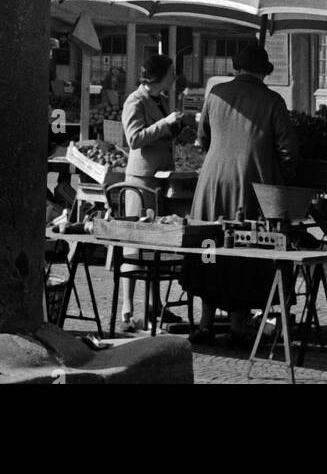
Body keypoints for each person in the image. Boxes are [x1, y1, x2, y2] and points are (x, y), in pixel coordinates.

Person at [186, 42, 298, 346]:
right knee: (244, 252)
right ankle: (237, 327)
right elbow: (288, 149)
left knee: (209, 249)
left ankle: (206, 323)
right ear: (264, 72)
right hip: (251, 185)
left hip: (212, 184)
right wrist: (285, 181)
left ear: (236, 68)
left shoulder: (216, 94)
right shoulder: (273, 100)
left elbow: (202, 139)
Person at [118, 53, 194, 332]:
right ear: (160, 75)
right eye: (171, 73)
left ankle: (155, 305)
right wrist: (165, 123)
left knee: (155, 246)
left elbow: (158, 134)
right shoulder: (134, 101)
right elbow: (134, 138)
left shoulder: (160, 99)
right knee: (135, 243)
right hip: (141, 181)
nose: (174, 79)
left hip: (161, 178)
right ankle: (127, 310)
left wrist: (176, 128)